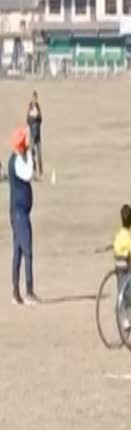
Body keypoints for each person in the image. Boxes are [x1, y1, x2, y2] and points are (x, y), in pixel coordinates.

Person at [8, 127, 38, 305]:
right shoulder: (18, 162)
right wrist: (31, 157)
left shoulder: (17, 158)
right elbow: (28, 174)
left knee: (18, 252)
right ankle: (28, 291)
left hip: (18, 212)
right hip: (20, 214)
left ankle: (15, 292)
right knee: (27, 251)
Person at [26, 91, 43, 179]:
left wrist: (37, 116)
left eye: (35, 98)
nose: (34, 99)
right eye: (33, 98)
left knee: (39, 154)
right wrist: (33, 117)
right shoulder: (30, 107)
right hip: (32, 135)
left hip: (38, 135)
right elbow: (28, 120)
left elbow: (41, 119)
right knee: (31, 154)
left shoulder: (38, 107)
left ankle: (40, 172)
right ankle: (32, 170)